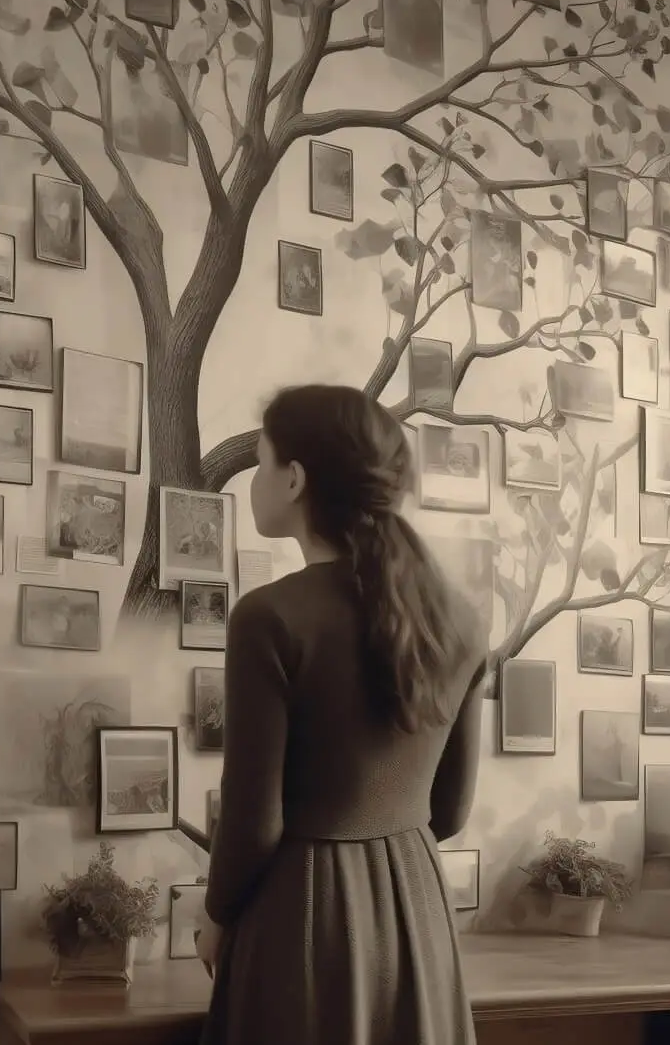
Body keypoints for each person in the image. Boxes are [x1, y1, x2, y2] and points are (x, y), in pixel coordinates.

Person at [196, 384, 486, 1045]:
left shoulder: (269, 618)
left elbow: (253, 820)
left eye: (261, 462)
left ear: (294, 479)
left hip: (301, 923)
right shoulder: (459, 620)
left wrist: (216, 917)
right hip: (416, 917)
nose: (255, 481)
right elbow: (450, 812)